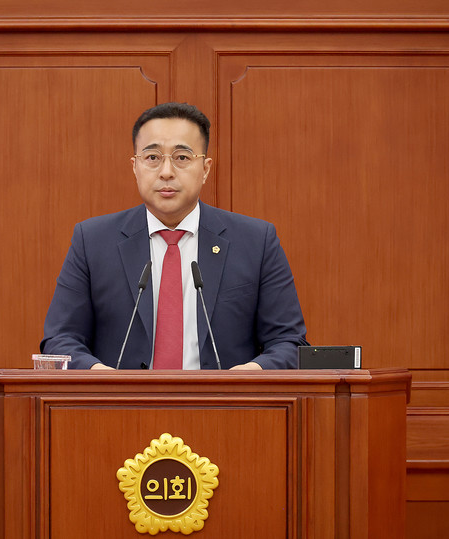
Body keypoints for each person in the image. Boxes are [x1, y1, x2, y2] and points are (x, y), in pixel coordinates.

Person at [40, 102, 308, 369]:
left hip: (225, 396)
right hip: (120, 396)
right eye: (152, 158)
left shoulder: (256, 242)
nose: (166, 172)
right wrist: (100, 377)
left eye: (182, 158)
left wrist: (248, 376)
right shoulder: (92, 241)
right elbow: (60, 339)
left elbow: (289, 342)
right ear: (135, 167)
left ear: (205, 169)